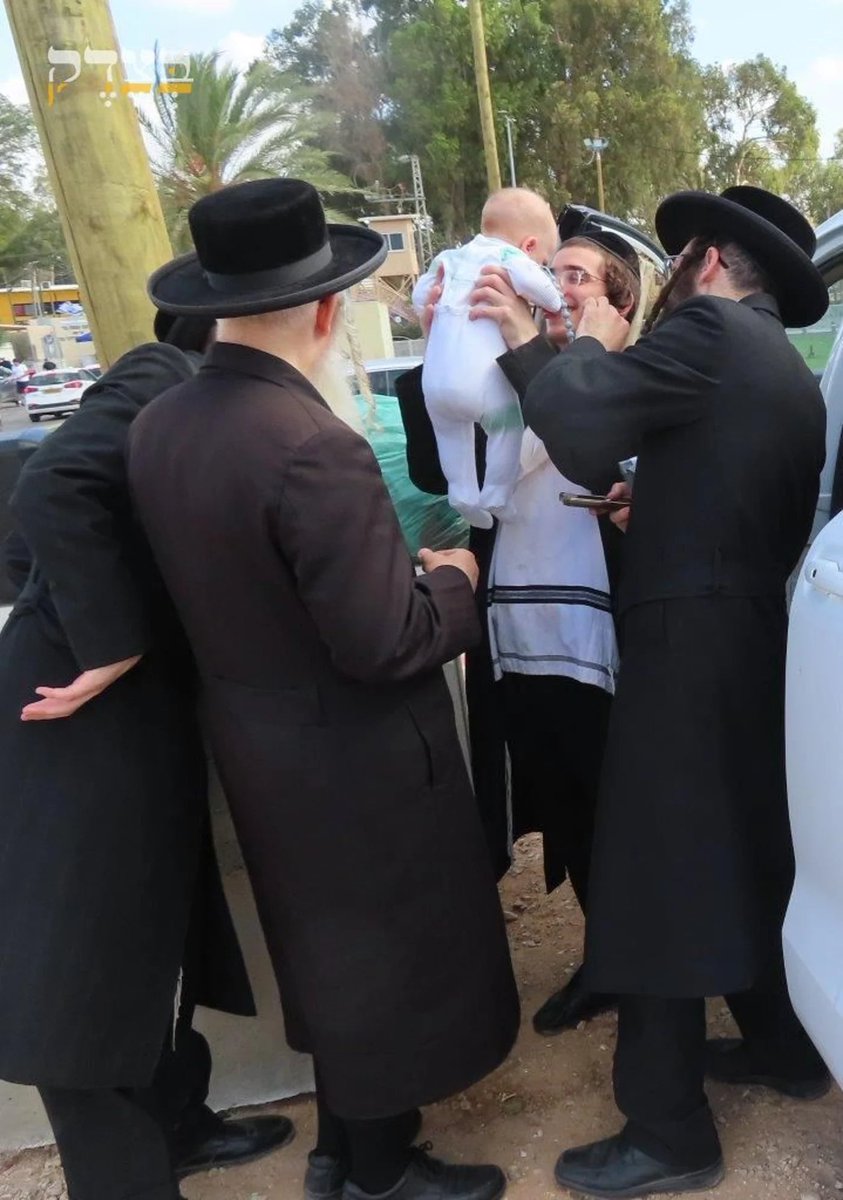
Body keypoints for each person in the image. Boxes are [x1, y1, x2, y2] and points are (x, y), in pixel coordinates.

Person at [128, 177, 520, 1200]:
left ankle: (345, 1148)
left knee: (329, 958)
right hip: (358, 761)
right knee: (383, 965)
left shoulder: (163, 425)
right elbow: (386, 640)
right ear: (325, 309)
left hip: (259, 747)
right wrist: (454, 583)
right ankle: (383, 1172)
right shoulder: (313, 446)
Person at [521, 186, 830, 1198]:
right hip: (749, 642)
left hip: (685, 647)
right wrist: (655, 504)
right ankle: (784, 1047)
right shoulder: (783, 366)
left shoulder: (704, 327)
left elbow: (574, 420)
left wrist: (584, 340)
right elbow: (730, 489)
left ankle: (667, 1130)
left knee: (654, 879)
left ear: (705, 262)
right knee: (744, 854)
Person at [0, 320, 294, 1200]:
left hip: (135, 714)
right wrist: (108, 644)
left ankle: (176, 1120)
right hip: (74, 715)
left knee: (154, 939)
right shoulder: (160, 373)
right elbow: (48, 489)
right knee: (81, 971)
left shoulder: (222, 406)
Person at [398, 210, 643, 1035]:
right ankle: (603, 954)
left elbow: (587, 440)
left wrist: (529, 349)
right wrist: (436, 339)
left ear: (620, 303)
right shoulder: (502, 373)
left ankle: (637, 957)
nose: (564, 286)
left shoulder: (624, 376)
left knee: (618, 800)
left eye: (582, 277)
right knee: (560, 799)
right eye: (559, 272)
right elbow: (439, 467)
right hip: (519, 632)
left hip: (608, 639)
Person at [412, 187, 562, 528]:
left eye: (577, 276)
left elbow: (419, 294)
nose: (558, 283)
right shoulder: (510, 260)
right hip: (478, 383)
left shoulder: (450, 257)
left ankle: (463, 493)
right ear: (528, 247)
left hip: (437, 385)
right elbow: (545, 293)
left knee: (451, 433)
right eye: (550, 267)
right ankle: (495, 493)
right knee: (506, 425)